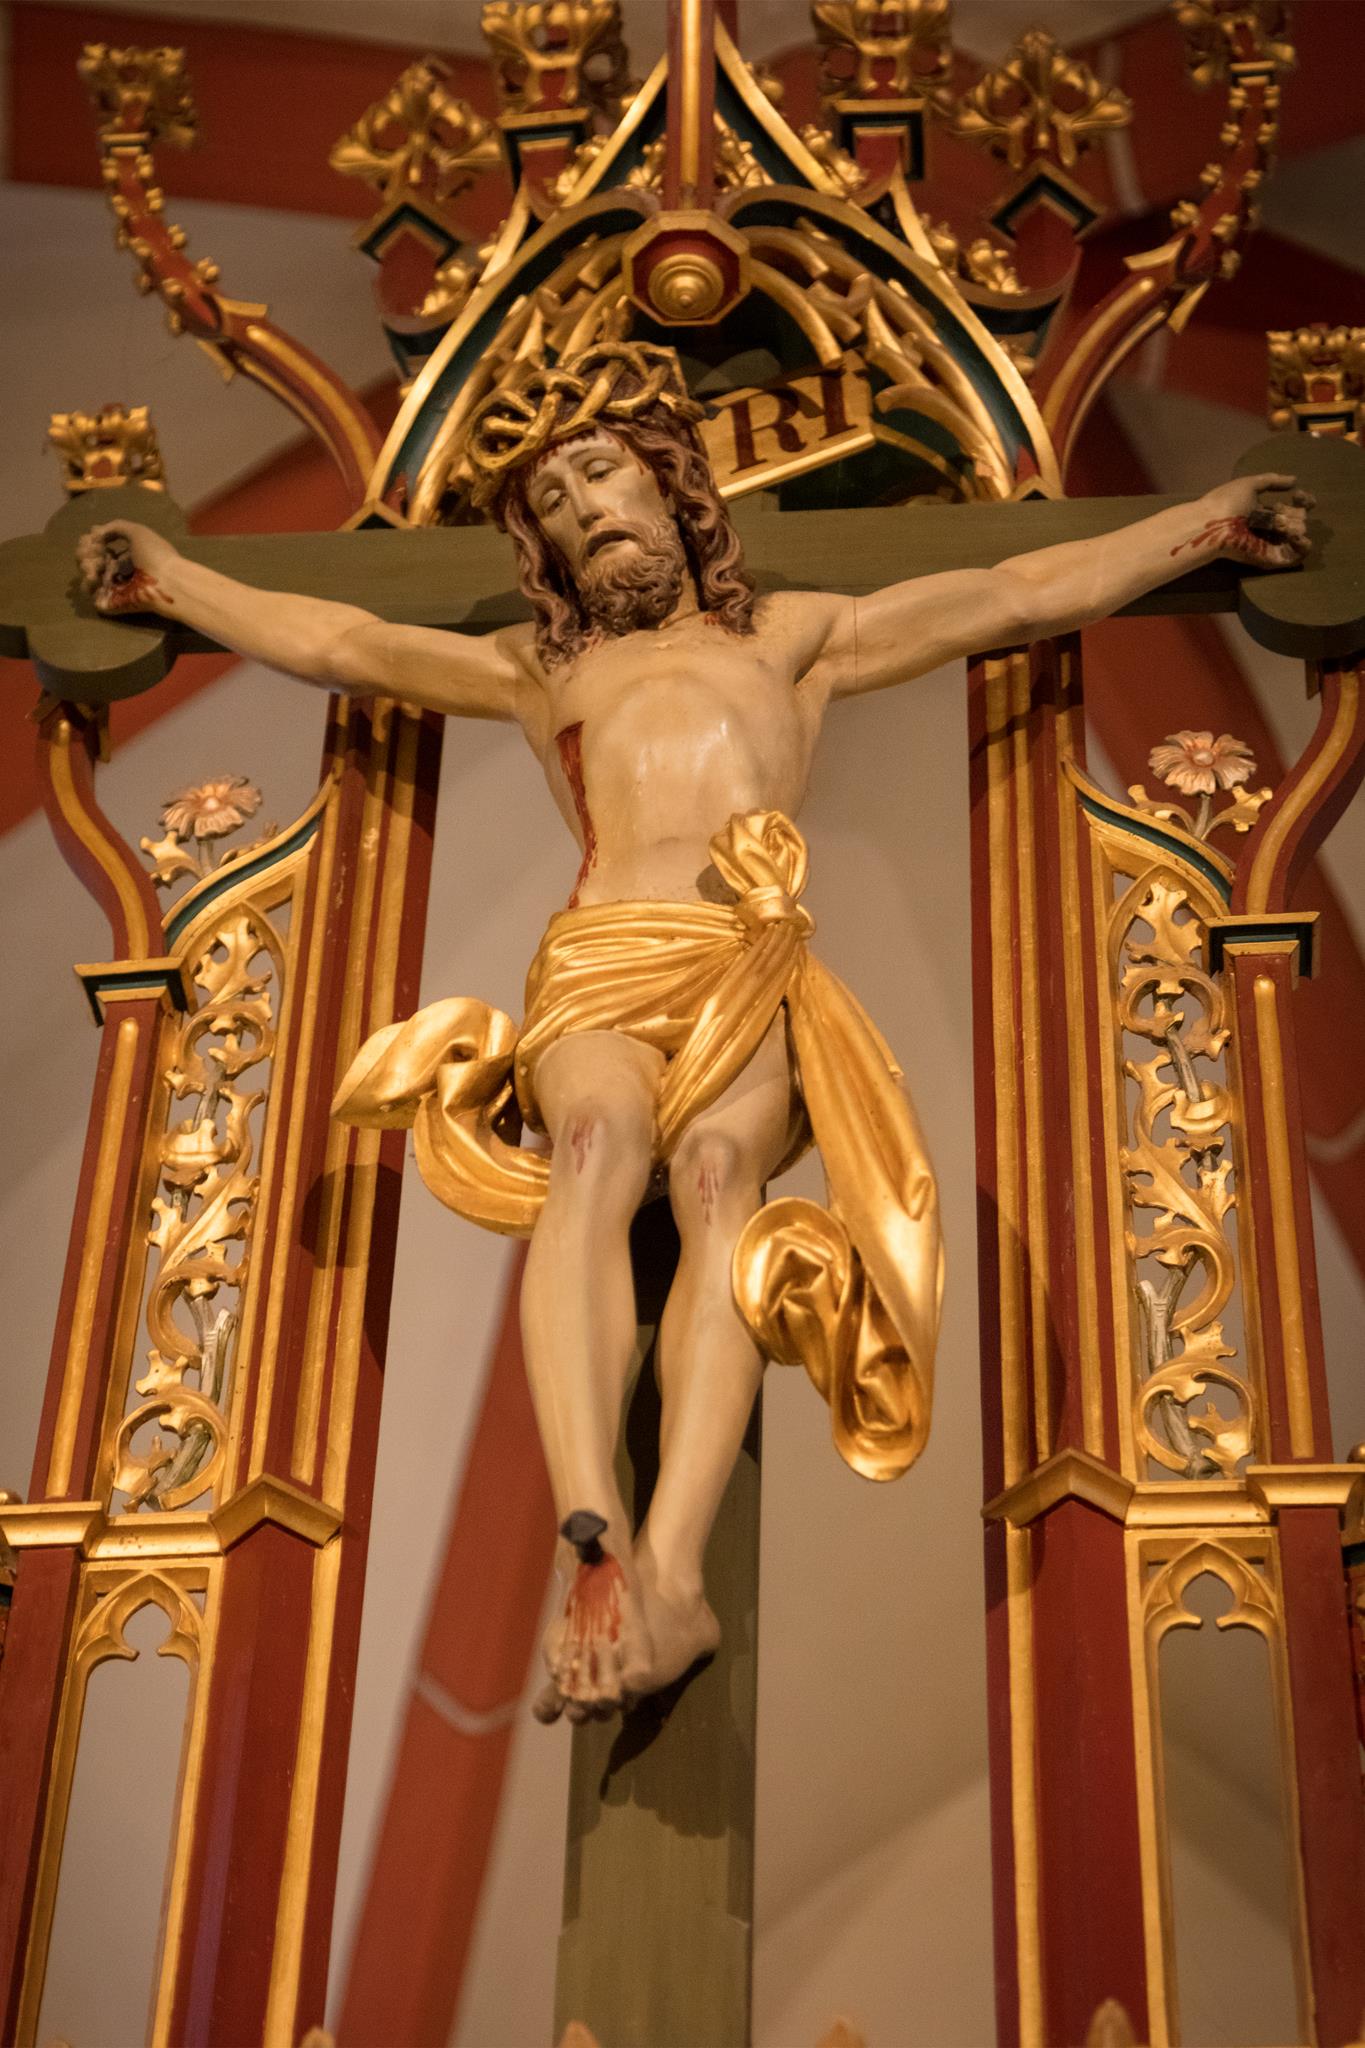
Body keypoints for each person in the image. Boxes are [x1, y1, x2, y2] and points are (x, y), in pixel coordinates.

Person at [77, 341, 1310, 1724]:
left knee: (721, 1182)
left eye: (601, 474)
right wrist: (171, 582)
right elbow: (343, 643)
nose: (584, 512)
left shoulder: (793, 639)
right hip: (599, 959)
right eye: (552, 504)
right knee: (592, 1148)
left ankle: (669, 1572)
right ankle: (590, 1522)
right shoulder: (540, 669)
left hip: (739, 960)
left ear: (671, 487)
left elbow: (1020, 590)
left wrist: (1202, 527)